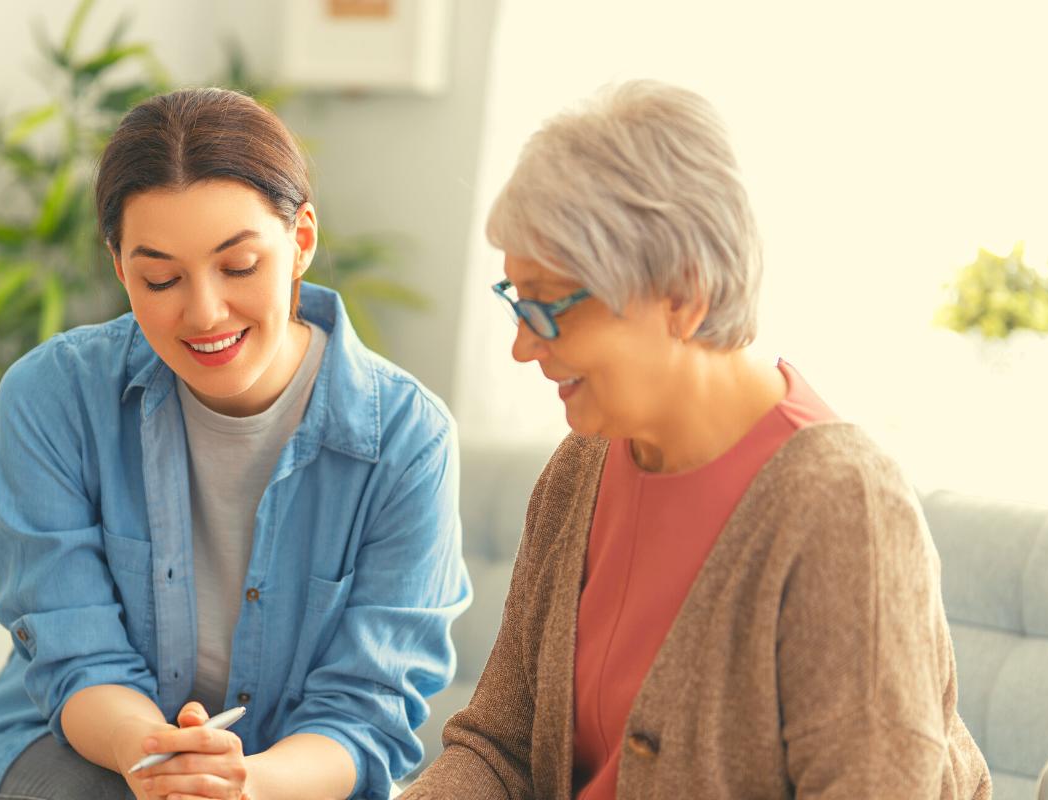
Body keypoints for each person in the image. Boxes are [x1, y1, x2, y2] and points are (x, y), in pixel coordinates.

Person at [404, 80, 991, 799]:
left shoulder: (844, 508)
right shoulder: (580, 469)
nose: (523, 347)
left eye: (549, 309)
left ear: (683, 296)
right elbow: (499, 749)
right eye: (513, 302)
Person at [0, 87, 470, 800]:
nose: (204, 311)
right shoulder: (51, 397)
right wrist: (157, 760)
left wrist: (241, 784)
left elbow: (368, 713)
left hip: (286, 778)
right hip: (73, 752)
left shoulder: (406, 439)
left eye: (238, 267)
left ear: (301, 240)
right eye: (161, 278)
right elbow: (78, 658)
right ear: (120, 267)